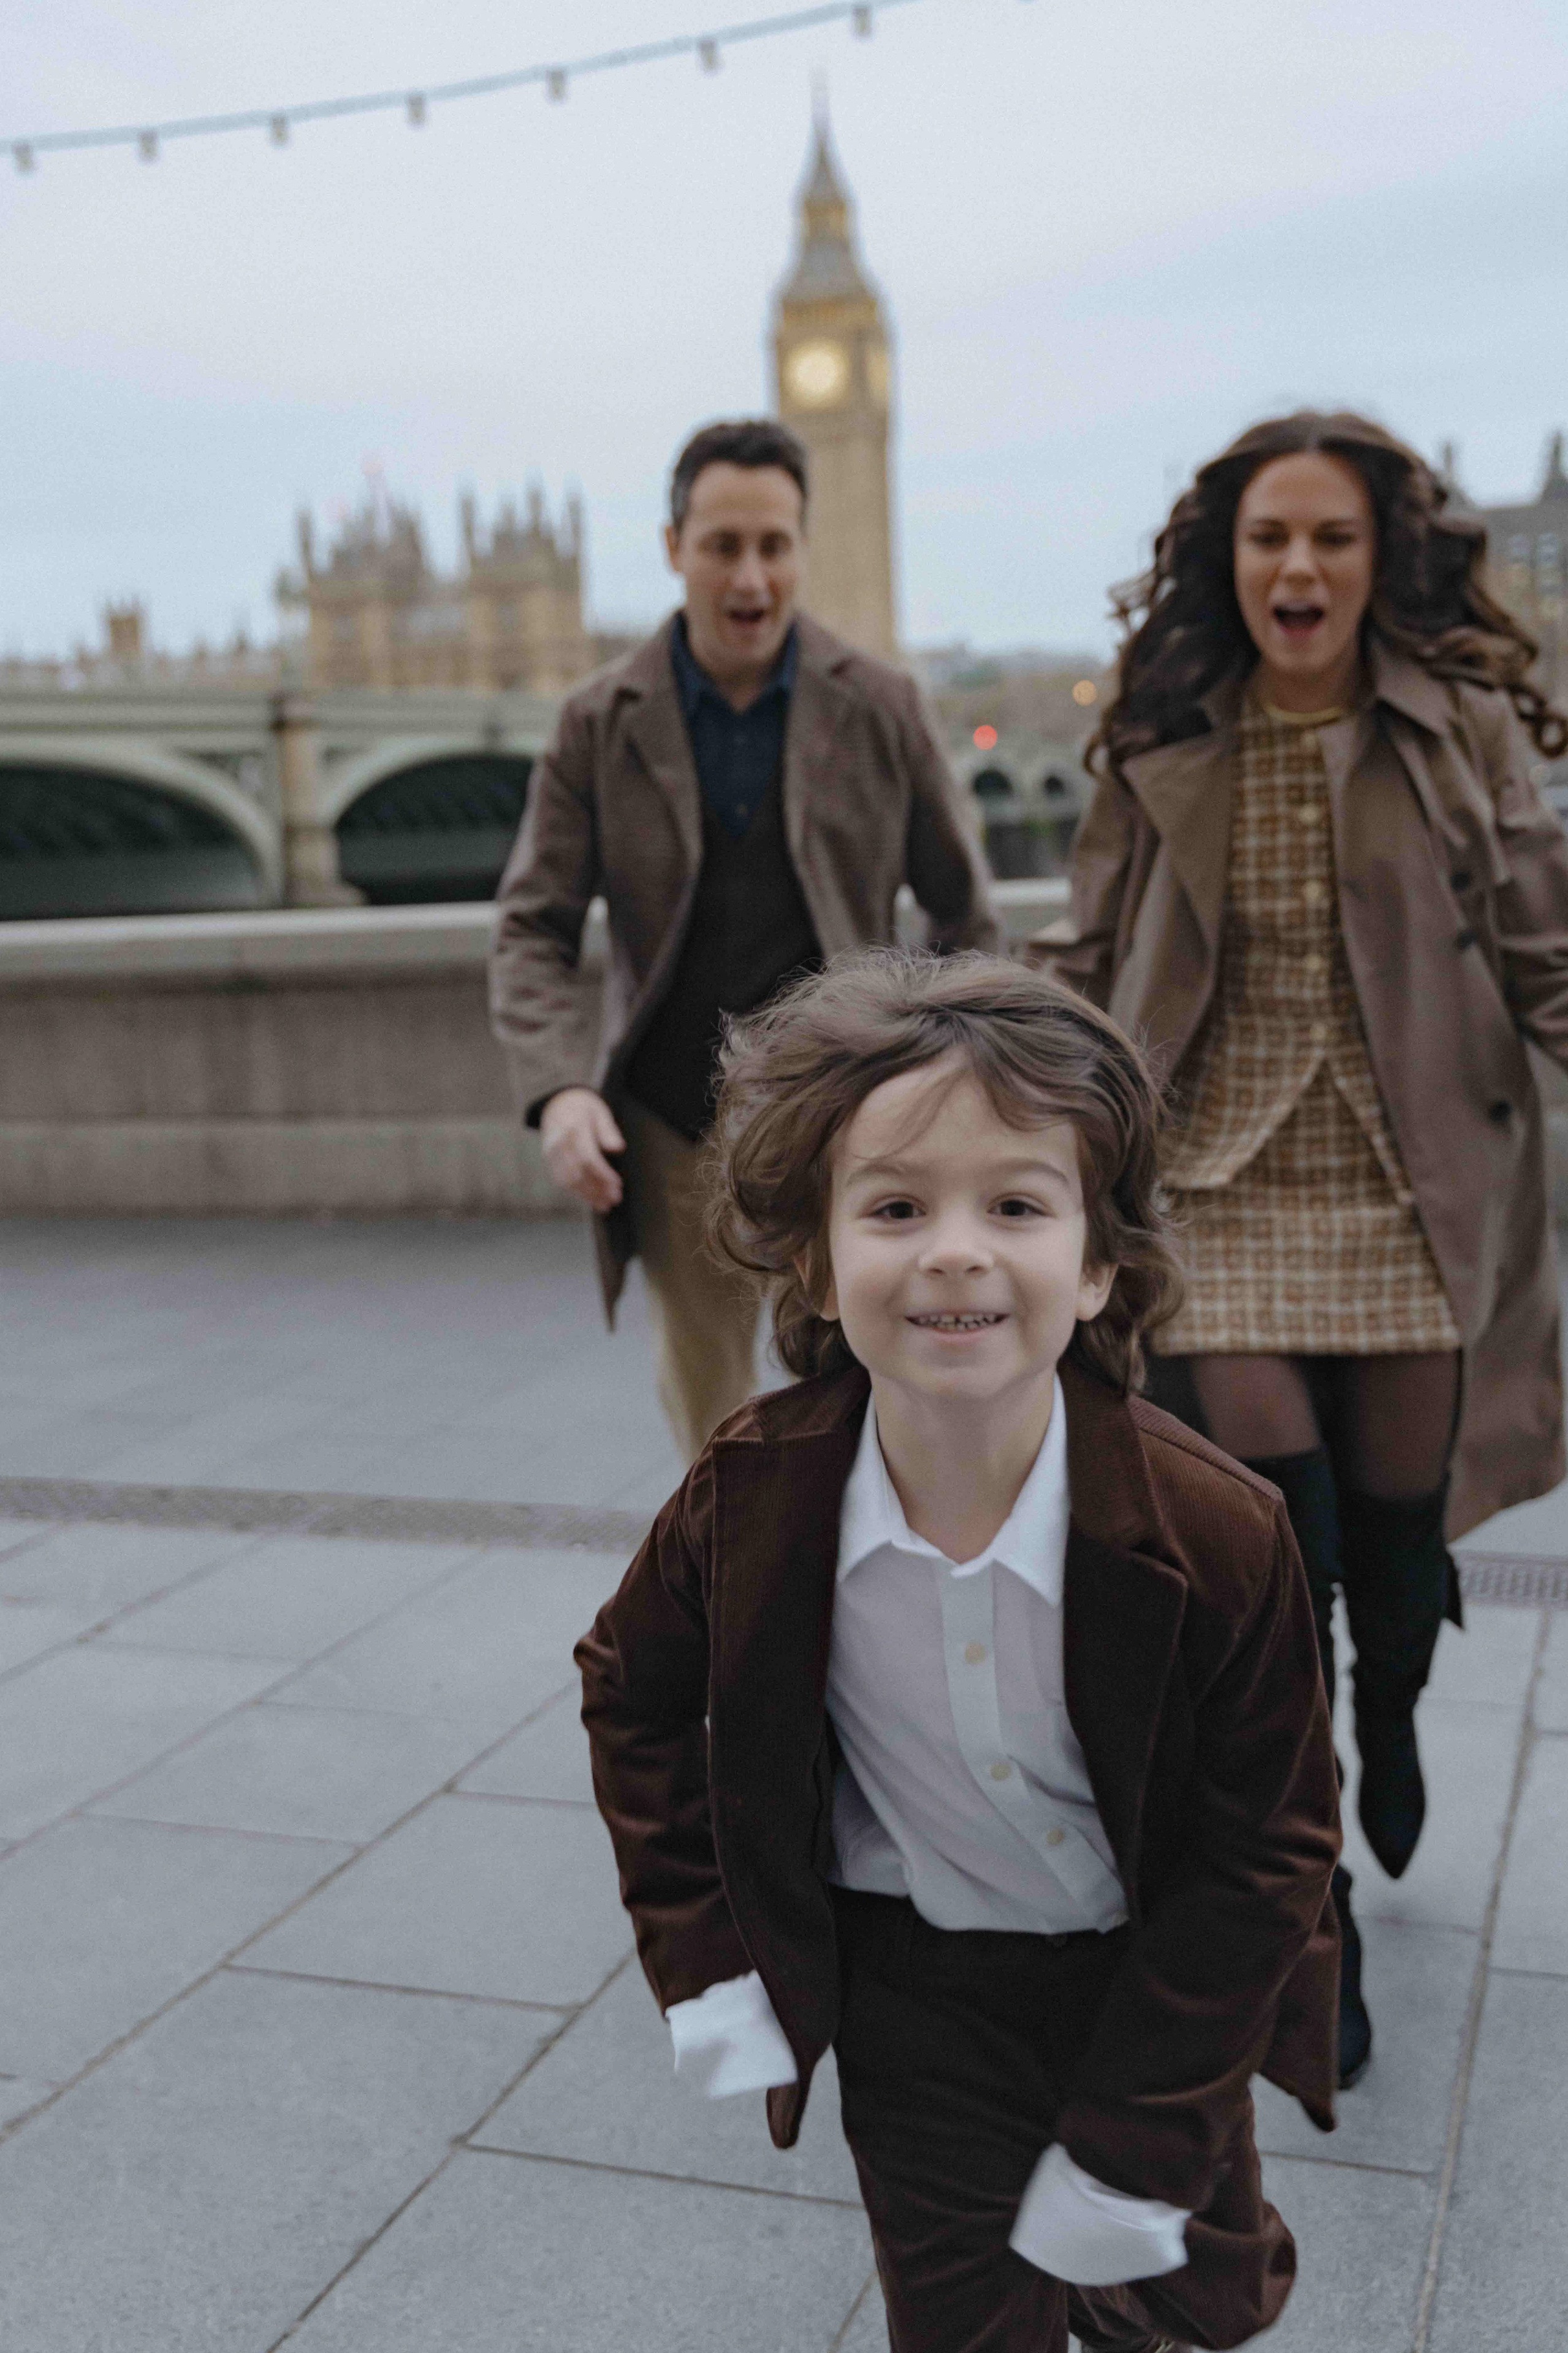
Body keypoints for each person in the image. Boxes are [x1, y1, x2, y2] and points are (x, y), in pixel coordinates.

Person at [577, 951, 1341, 2353]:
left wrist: (1142, 2124)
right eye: (893, 1205)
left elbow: (1271, 1842)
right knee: (960, 2316)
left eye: (1014, 1203)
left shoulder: (1218, 1532)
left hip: (1147, 1977)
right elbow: (630, 1687)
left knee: (1192, 2293)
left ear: (1098, 1260)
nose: (953, 1247)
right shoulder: (749, 1501)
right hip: (913, 1991)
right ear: (810, 1252)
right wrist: (704, 1953)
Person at [1039, 408, 1568, 2085]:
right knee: (1274, 1558)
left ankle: (1396, 1691)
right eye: (1267, 537)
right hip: (1210, 1184)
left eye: (1328, 538)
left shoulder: (1457, 728)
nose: (1296, 566)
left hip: (1410, 1177)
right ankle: (1308, 1885)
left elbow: (1544, 943)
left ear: (1374, 560)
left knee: (1395, 1547)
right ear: (1227, 560)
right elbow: (1082, 954)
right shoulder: (1159, 742)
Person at [489, 418, 997, 1462]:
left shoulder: (881, 705)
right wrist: (560, 1090)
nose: (751, 575)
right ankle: (743, 1615)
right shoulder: (597, 721)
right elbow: (532, 925)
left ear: (802, 548)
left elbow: (965, 915)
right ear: (674, 546)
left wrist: (953, 1074)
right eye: (723, 545)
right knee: (714, 1433)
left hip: (855, 1113)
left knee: (876, 1410)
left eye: (774, 545)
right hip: (674, 1124)